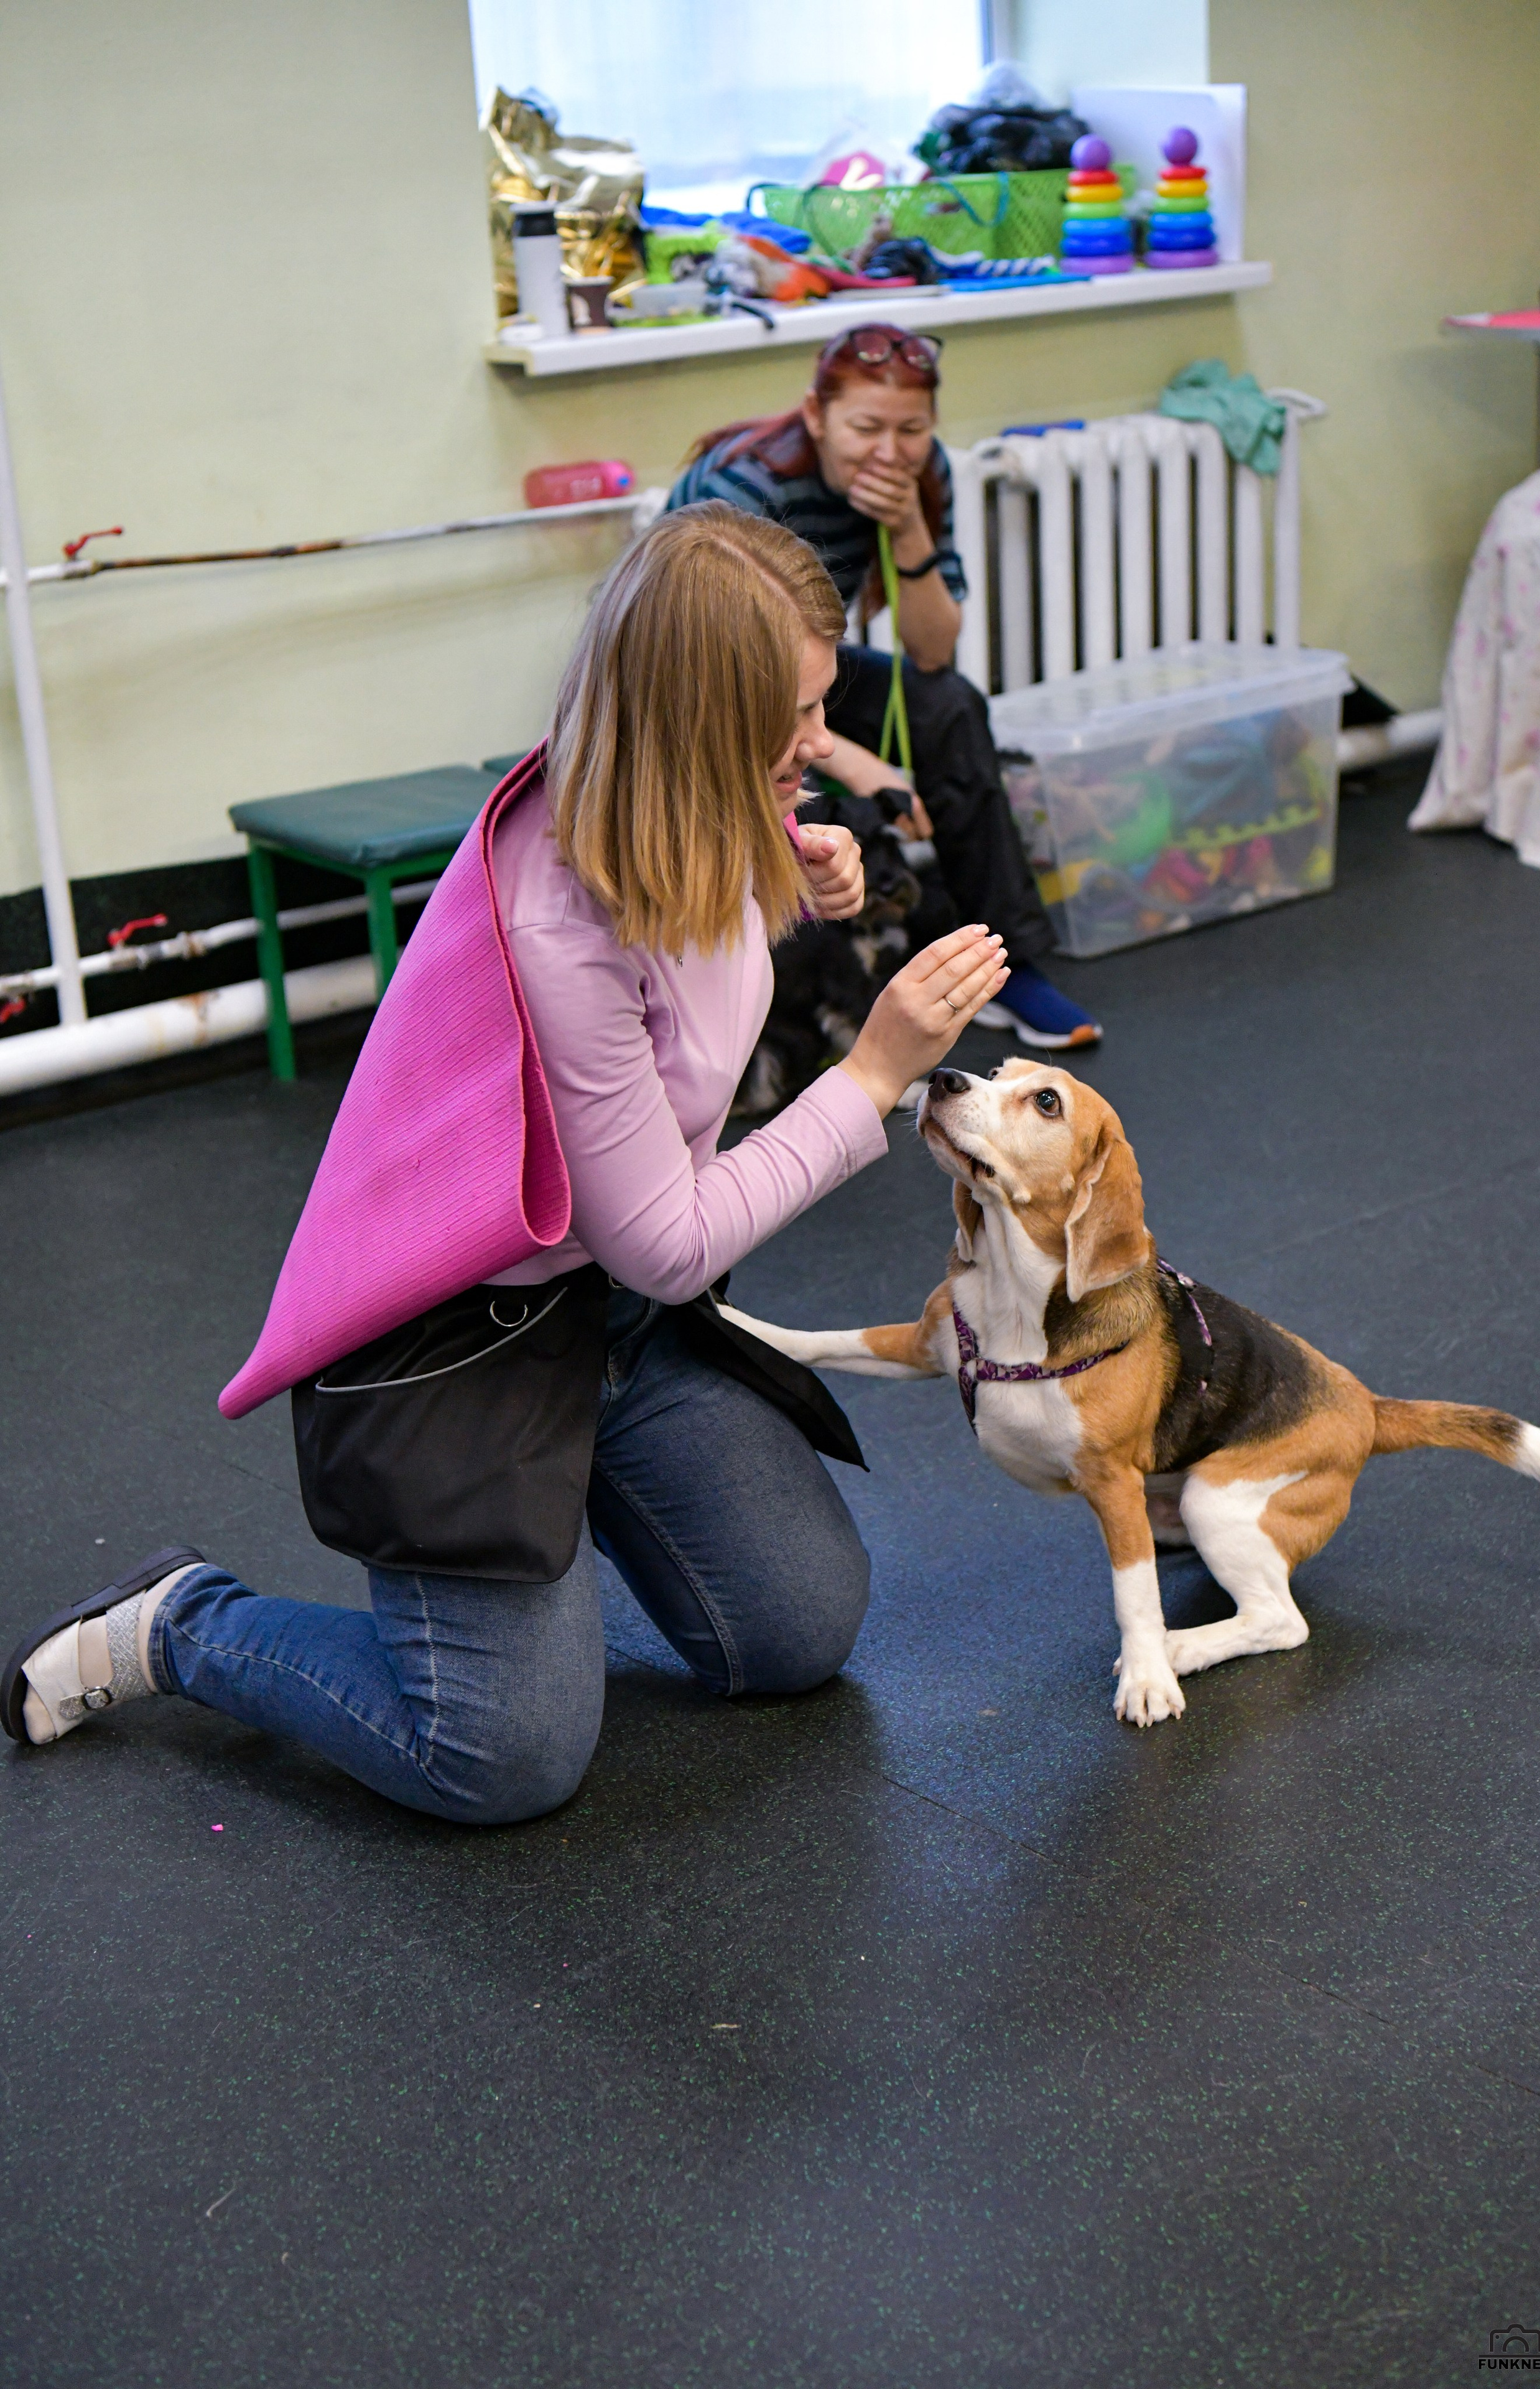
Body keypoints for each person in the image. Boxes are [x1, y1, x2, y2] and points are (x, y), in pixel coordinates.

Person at [2, 505, 1012, 1825]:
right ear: (699, 732)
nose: (813, 748)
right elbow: (669, 1239)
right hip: (462, 1341)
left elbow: (682, 1049)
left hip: (615, 1311)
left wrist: (792, 865)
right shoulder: (562, 918)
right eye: (790, 724)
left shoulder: (681, 804)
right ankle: (181, 1624)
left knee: (795, 1633)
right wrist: (872, 1079)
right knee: (499, 1760)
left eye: (817, 711)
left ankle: (577, 1478)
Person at [667, 322, 1100, 1052]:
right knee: (813, 754)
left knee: (952, 704)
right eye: (866, 427)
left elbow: (932, 649)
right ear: (815, 417)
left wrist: (907, 530)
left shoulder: (921, 476)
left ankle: (1007, 964)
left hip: (805, 672)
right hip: (705, 688)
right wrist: (846, 756)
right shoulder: (747, 483)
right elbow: (715, 670)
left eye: (913, 430)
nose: (890, 451)